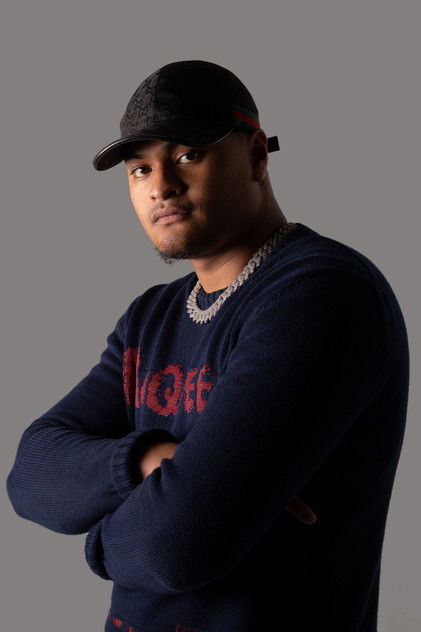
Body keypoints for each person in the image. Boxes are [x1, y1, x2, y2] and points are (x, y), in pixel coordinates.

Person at [6, 60, 410, 632]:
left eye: (188, 154)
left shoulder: (321, 292)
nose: (161, 185)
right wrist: (149, 461)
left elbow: (174, 546)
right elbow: (30, 474)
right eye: (140, 168)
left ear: (257, 155)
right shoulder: (151, 316)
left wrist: (96, 540)